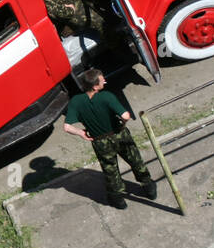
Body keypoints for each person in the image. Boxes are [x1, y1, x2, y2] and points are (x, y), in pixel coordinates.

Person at [63, 68, 156, 209]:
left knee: (110, 170)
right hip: (119, 135)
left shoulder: (76, 101)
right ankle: (149, 189)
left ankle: (118, 200)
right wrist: (122, 124)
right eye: (102, 80)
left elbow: (67, 127)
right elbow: (125, 116)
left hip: (100, 141)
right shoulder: (106, 96)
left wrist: (81, 133)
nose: (105, 81)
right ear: (95, 86)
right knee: (135, 160)